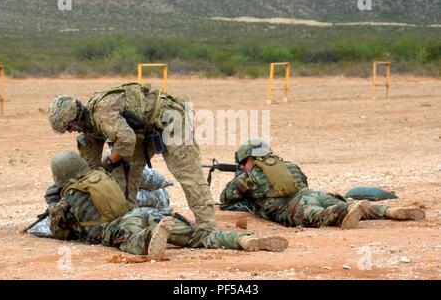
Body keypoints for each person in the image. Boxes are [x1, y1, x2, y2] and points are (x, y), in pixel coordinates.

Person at [45, 151, 289, 256]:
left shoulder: (70, 196)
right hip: (140, 213)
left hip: (117, 228)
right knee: (196, 236)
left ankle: (152, 236)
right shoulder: (100, 176)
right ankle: (241, 240)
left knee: (132, 242)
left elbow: (61, 232)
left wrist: (55, 207)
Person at [48, 83, 216, 230]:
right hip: (142, 132)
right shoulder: (90, 130)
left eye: (69, 126)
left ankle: (206, 225)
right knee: (122, 178)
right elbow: (88, 172)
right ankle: (128, 221)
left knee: (187, 173)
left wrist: (107, 163)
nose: (71, 131)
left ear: (75, 117)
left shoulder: (102, 114)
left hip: (168, 119)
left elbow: (127, 141)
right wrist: (64, 195)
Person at [220, 139, 425, 229]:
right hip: (311, 193)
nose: (242, 166)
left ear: (249, 159)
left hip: (290, 207)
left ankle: (347, 210)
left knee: (317, 217)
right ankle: (389, 211)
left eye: (242, 163)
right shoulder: (288, 165)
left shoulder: (250, 177)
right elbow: (303, 181)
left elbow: (226, 198)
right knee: (328, 203)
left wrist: (239, 177)